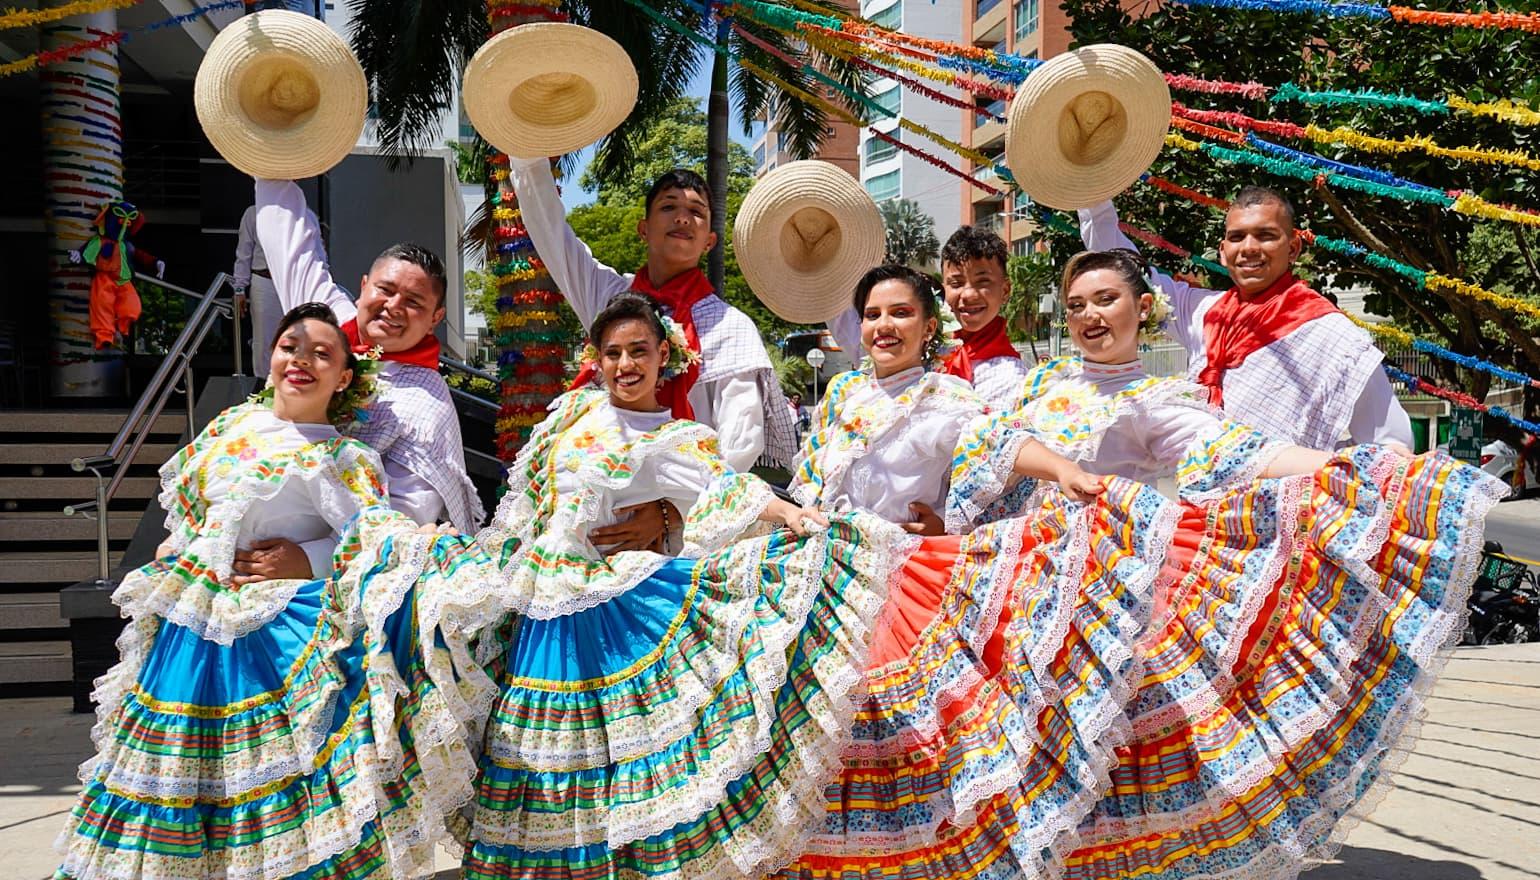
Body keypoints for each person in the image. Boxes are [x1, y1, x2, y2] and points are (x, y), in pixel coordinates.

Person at [947, 249, 1503, 880]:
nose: (1089, 316)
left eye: (1106, 300)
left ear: (1143, 309)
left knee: (1097, 773)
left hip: (1096, 612)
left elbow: (1244, 453)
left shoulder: (1155, 399)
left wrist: (1364, 469)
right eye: (1077, 305)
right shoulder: (1038, 385)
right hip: (1014, 601)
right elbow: (984, 452)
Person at [439, 293, 905, 879]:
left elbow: (724, 491)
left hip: (611, 613)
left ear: (666, 356)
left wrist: (789, 516)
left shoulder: (676, 437)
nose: (625, 365)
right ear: (597, 359)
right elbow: (525, 512)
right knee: (537, 764)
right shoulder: (568, 416)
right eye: (612, 353)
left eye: (639, 351)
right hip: (541, 606)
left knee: (613, 770)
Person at [54, 304, 494, 880]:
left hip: (279, 641)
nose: (302, 360)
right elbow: (191, 520)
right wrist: (181, 548)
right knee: (181, 780)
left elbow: (374, 542)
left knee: (269, 787)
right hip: (191, 631)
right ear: (271, 358)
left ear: (344, 378)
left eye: (322, 353)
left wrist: (305, 558)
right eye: (291, 346)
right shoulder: (226, 432)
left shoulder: (344, 457)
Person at [775, 265, 1177, 880]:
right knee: (819, 748)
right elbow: (810, 486)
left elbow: (1000, 441)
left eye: (902, 313)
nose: (886, 327)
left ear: (929, 326)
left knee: (897, 753)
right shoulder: (839, 396)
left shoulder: (947, 398)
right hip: (822, 584)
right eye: (874, 315)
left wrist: (1063, 470)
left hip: (900, 592)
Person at [507, 159, 798, 474]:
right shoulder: (610, 297)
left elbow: (739, 442)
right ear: (644, 229)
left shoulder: (731, 326)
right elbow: (552, 235)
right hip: (599, 480)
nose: (683, 219)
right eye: (669, 207)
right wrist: (528, 153)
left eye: (697, 212)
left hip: (686, 503)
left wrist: (673, 507)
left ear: (709, 242)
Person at [1078, 186, 1414, 450]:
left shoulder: (1332, 335)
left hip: (1282, 523)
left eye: (1266, 235)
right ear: (1223, 251)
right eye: (1237, 237)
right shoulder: (1205, 311)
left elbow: (1390, 443)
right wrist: (1089, 187)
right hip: (1199, 515)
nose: (1249, 248)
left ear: (1293, 248)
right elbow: (1122, 267)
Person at [253, 179, 483, 547]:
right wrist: (270, 146)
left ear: (436, 317)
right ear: (362, 287)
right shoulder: (324, 322)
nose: (393, 307)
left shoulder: (427, 408)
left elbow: (402, 522)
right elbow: (288, 238)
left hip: (332, 576)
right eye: (385, 290)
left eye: (413, 302)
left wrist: (309, 558)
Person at [828, 226, 1026, 411]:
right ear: (944, 287)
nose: (968, 295)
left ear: (1005, 290)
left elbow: (980, 439)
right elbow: (858, 336)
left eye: (983, 282)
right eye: (956, 284)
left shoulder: (1008, 371)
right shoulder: (922, 342)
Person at [233, 202, 321, 377]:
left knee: (299, 337)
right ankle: (263, 389)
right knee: (263, 341)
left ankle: (294, 385)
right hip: (264, 280)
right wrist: (239, 288)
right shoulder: (253, 213)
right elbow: (244, 252)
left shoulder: (306, 215)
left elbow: (318, 255)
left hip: (295, 282)